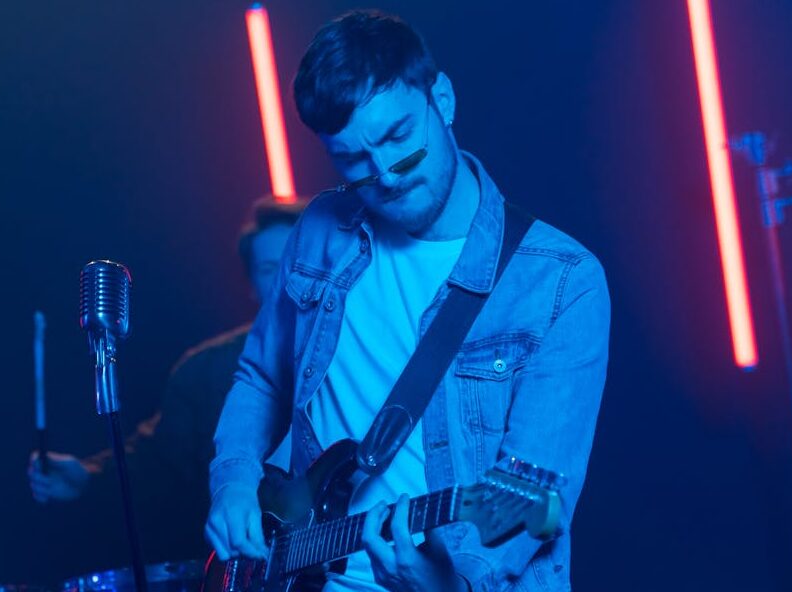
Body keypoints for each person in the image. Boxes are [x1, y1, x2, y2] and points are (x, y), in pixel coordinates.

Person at [205, 10, 610, 592]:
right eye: (354, 159)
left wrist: (451, 583)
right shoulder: (321, 227)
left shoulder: (560, 282)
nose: (388, 175)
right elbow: (261, 377)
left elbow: (535, 487)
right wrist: (237, 482)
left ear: (440, 99)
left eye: (399, 138)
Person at [28, 195, 306, 561]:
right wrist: (88, 475)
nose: (287, 279)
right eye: (271, 268)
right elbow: (157, 461)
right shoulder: (204, 369)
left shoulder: (368, 347)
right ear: (251, 283)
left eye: (297, 263)